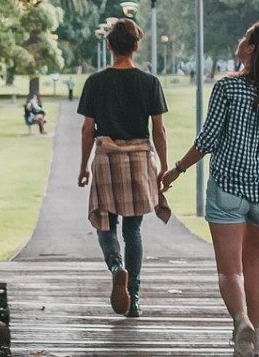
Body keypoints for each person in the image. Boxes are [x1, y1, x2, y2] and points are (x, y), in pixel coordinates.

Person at [162, 22, 259, 357]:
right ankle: (257, 335)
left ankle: (241, 323)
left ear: (250, 49)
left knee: (229, 269)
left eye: (244, 39)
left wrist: (176, 170)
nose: (239, 41)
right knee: (255, 264)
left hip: (227, 190)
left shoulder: (227, 88)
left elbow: (207, 141)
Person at [77, 18, 171, 318]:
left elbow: (87, 129)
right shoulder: (149, 82)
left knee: (104, 223)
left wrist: (83, 166)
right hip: (139, 159)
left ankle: (116, 267)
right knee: (134, 230)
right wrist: (164, 167)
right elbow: (159, 129)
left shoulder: (95, 82)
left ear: (109, 46)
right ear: (136, 46)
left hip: (107, 159)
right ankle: (134, 297)